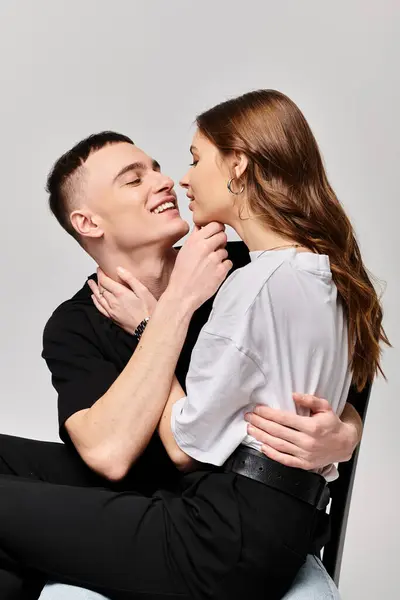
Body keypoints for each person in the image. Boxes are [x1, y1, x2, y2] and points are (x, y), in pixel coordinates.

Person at [0, 88, 376, 598]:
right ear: (88, 223)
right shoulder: (74, 324)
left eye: (158, 166)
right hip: (154, 495)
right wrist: (174, 308)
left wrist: (344, 434)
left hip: (223, 513)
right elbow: (108, 455)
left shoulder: (250, 267)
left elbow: (339, 378)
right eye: (135, 179)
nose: (165, 181)